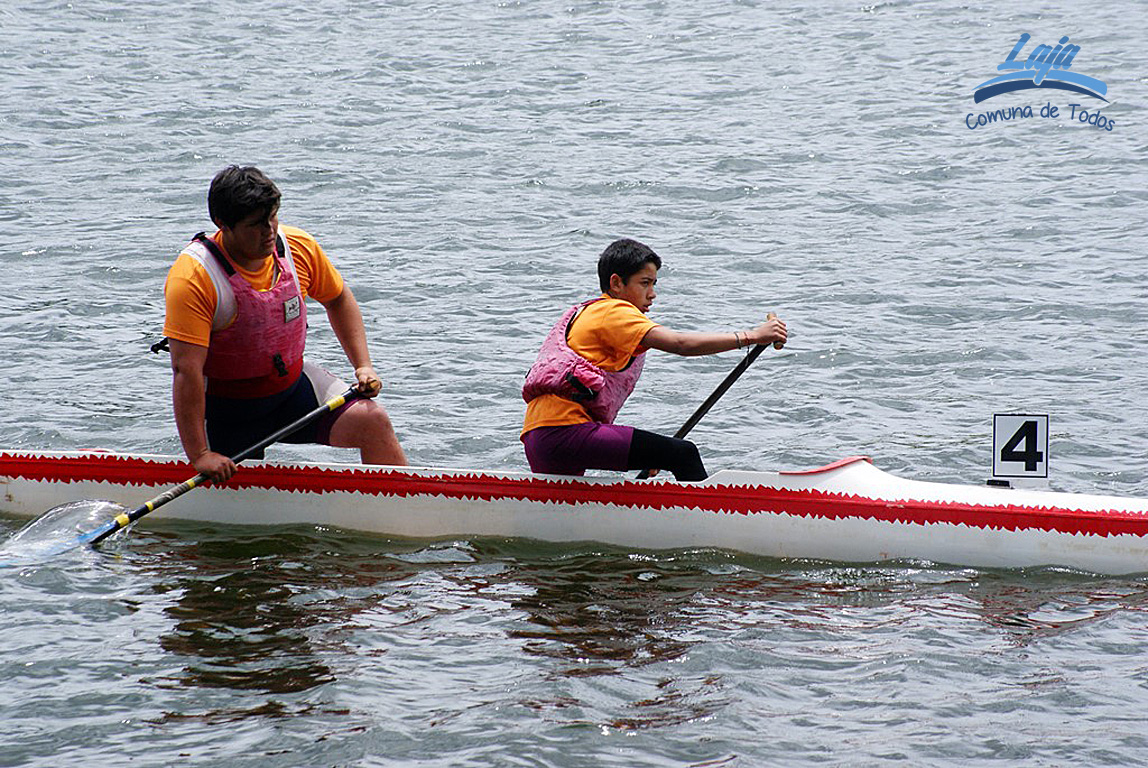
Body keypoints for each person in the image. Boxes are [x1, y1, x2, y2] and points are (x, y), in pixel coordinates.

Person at [162, 165, 407, 482]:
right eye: (255, 224)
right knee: (242, 499)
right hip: (228, 412)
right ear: (223, 223)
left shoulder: (297, 247)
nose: (269, 230)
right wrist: (200, 455)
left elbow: (338, 299)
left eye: (273, 216)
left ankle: (408, 505)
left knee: (373, 422)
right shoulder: (193, 278)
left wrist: (363, 366)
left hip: (291, 391)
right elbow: (186, 371)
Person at [520, 238, 787, 481]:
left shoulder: (588, 312)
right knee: (682, 454)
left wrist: (649, 454)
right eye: (644, 283)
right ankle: (707, 519)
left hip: (539, 436)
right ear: (616, 283)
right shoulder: (614, 311)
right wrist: (753, 336)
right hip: (566, 431)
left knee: (571, 506)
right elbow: (681, 344)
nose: (652, 294)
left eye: (654, 284)